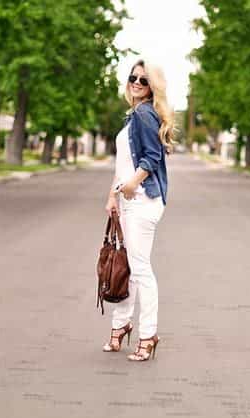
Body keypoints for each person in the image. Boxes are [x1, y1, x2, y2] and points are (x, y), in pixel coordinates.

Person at [102, 59, 174, 361]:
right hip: (131, 199)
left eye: (143, 80)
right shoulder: (133, 115)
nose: (136, 83)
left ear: (152, 87)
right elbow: (124, 164)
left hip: (144, 200)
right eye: (133, 77)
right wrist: (112, 196)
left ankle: (148, 335)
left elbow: (152, 156)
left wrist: (132, 185)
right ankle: (121, 327)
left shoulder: (145, 114)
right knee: (128, 267)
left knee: (140, 269)